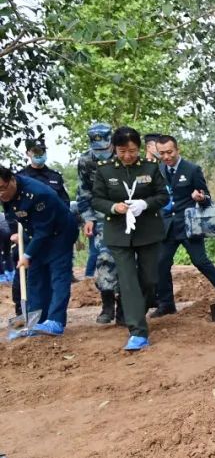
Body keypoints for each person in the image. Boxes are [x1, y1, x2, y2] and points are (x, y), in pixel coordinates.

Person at [91, 127, 169, 352]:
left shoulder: (150, 168)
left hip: (148, 230)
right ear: (114, 149)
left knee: (150, 280)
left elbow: (162, 196)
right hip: (118, 233)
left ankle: (132, 312)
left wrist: (146, 204)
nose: (127, 156)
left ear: (139, 148)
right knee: (128, 281)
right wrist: (114, 207)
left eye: (132, 151)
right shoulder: (105, 171)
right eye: (122, 151)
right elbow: (97, 199)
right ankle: (138, 331)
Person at [152, 136, 215, 316]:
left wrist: (201, 198)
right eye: (162, 153)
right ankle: (166, 304)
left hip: (189, 226)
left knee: (200, 261)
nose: (166, 157)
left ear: (177, 150)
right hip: (166, 227)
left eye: (169, 152)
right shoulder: (158, 171)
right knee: (161, 263)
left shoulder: (192, 170)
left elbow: (208, 198)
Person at [0, 168, 78, 335]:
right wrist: (16, 233)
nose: (0, 194)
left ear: (12, 180)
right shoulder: (6, 193)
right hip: (34, 233)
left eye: (2, 188)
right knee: (35, 277)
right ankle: (35, 320)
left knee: (58, 276)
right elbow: (12, 215)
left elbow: (44, 229)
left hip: (59, 234)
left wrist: (27, 254)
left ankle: (55, 321)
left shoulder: (38, 193)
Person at [77, 124, 123, 325]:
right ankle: (107, 305)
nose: (102, 153)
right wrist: (88, 218)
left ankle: (124, 307)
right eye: (99, 150)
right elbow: (83, 192)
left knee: (128, 263)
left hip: (128, 216)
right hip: (102, 217)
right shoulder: (86, 160)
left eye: (105, 149)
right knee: (104, 259)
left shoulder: (124, 155)